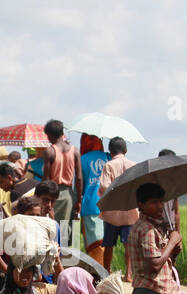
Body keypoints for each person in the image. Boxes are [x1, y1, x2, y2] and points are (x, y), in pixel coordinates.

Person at [98, 137, 138, 278]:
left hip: (112, 211)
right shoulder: (134, 165)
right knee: (128, 243)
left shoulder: (108, 165)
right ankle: (129, 273)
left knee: (109, 243)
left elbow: (104, 186)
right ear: (125, 150)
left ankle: (106, 271)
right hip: (130, 210)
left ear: (110, 151)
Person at [42, 119, 82, 247]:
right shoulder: (75, 151)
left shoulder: (50, 151)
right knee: (66, 229)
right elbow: (79, 178)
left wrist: (45, 199)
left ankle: (55, 258)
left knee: (52, 227)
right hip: (69, 194)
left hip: (53, 193)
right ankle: (65, 259)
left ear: (51, 135)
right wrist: (79, 199)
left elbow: (46, 179)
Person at [78, 133, 108, 263]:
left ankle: (96, 270)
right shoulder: (108, 157)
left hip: (90, 205)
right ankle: (105, 268)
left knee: (93, 242)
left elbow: (79, 184)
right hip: (108, 206)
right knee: (105, 241)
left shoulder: (82, 159)